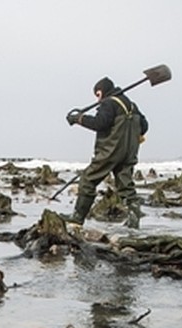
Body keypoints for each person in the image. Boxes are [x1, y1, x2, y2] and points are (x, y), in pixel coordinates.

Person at [64, 76, 149, 228]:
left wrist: (79, 119)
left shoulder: (109, 103)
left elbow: (100, 123)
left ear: (102, 91)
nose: (97, 100)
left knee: (88, 180)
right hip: (129, 153)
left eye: (97, 95)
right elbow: (144, 126)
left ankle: (77, 218)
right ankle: (133, 222)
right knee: (126, 186)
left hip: (110, 151)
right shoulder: (131, 105)